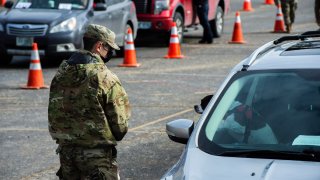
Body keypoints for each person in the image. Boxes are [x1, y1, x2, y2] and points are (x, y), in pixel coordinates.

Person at [48, 24, 131, 180]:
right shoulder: (105, 77)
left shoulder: (61, 73)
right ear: (99, 46)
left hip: (67, 156)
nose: (110, 53)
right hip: (97, 159)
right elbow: (120, 126)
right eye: (109, 49)